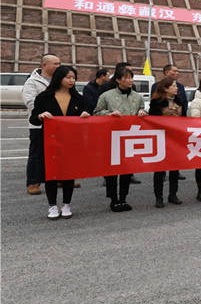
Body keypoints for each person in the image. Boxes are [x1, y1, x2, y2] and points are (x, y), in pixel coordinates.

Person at [29, 65, 91, 219]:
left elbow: (86, 117)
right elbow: (33, 118)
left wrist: (85, 115)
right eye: (68, 77)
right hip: (50, 141)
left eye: (73, 77)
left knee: (69, 173)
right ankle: (52, 206)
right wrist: (41, 116)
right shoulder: (44, 97)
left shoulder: (78, 98)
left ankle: (66, 204)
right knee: (51, 173)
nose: (71, 80)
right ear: (59, 78)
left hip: (71, 141)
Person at [94, 67, 147, 212]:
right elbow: (96, 113)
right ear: (118, 80)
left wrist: (143, 112)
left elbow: (142, 110)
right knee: (112, 170)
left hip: (129, 138)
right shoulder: (106, 96)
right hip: (111, 138)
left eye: (131, 77)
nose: (130, 80)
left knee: (127, 170)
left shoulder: (137, 97)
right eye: (127, 77)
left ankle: (123, 198)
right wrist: (109, 114)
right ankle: (113, 199)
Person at [22, 54, 61, 195]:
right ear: (44, 65)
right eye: (55, 64)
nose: (58, 66)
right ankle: (33, 182)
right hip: (39, 124)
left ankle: (59, 178)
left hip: (58, 124)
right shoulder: (32, 82)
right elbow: (30, 101)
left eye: (59, 63)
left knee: (58, 152)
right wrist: (45, 112)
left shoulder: (60, 81)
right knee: (37, 153)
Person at [148, 77, 187, 208]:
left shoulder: (179, 101)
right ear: (165, 88)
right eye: (173, 86)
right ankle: (158, 197)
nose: (176, 88)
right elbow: (152, 120)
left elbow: (184, 119)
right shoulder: (156, 102)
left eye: (176, 86)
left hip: (176, 139)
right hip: (161, 138)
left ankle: (173, 194)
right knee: (160, 169)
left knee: (175, 169)